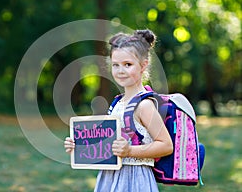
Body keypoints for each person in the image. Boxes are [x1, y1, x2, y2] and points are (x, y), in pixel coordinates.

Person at [64, 29, 173, 192]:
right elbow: (106, 144)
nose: (120, 70)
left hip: (134, 179)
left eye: (127, 65)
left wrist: (130, 150)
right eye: (116, 65)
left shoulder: (144, 105)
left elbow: (166, 145)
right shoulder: (118, 102)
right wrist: (79, 146)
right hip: (109, 178)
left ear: (143, 65)